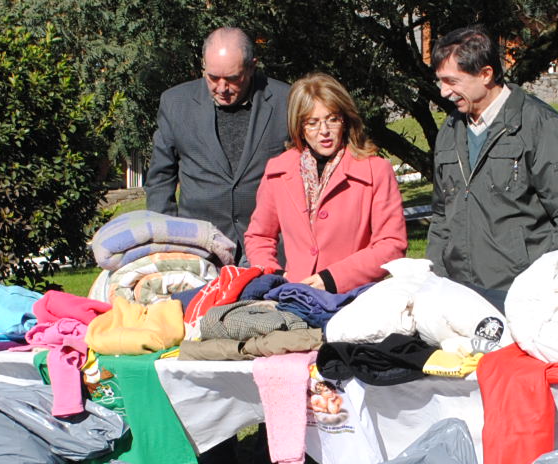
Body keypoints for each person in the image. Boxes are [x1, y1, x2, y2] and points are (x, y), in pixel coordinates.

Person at [425, 25, 558, 293]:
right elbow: (441, 216)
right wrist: (434, 278)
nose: (444, 92)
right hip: (458, 293)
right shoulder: (449, 130)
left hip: (523, 295)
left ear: (485, 74)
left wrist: (550, 288)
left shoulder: (541, 125)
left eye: (452, 81)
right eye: (441, 81)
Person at [242, 73, 407, 290]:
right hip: (295, 297)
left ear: (345, 121)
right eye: (312, 123)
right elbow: (259, 237)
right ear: (299, 127)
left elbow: (392, 244)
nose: (324, 132)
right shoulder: (278, 171)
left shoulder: (375, 170)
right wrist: (278, 276)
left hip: (354, 298)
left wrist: (331, 279)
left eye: (332, 119)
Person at [144, 26, 292, 255]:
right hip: (198, 250)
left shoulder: (287, 101)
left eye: (233, 79)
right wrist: (168, 242)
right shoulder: (175, 103)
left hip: (271, 249)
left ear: (252, 66)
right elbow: (160, 179)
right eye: (213, 77)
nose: (221, 88)